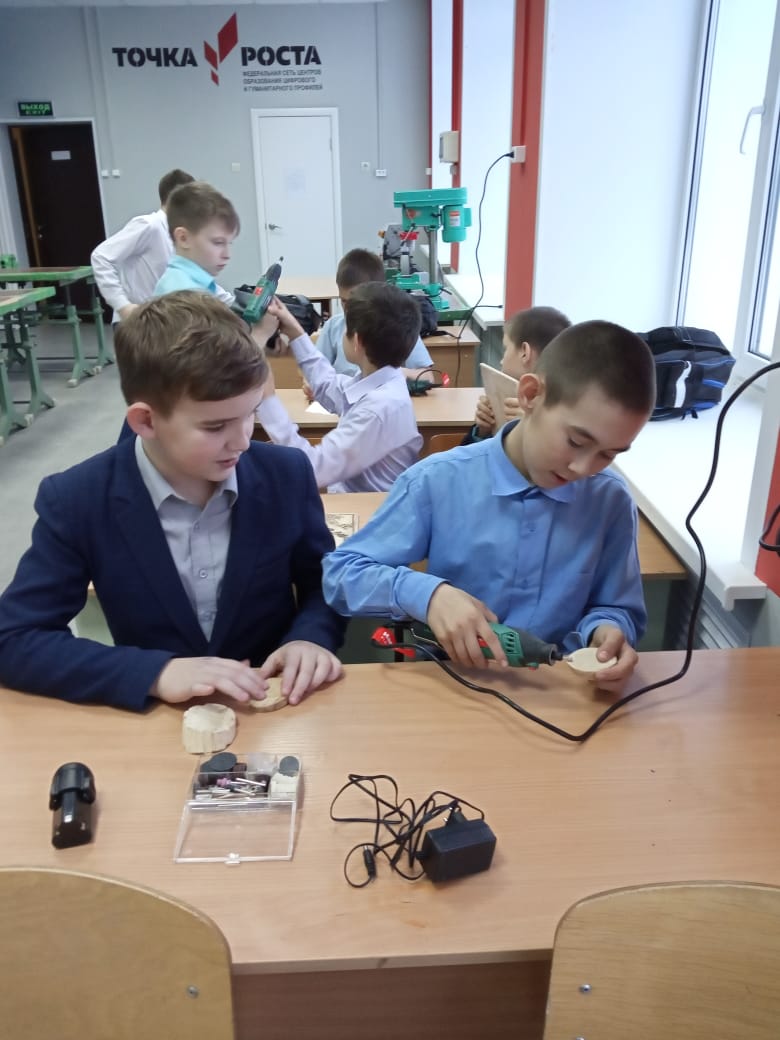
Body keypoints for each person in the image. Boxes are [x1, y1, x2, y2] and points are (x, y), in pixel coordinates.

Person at [0, 292, 345, 710]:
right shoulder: (79, 499)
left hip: (274, 710)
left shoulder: (285, 476)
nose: (242, 441)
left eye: (251, 412)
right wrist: (154, 673)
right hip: (156, 723)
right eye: (215, 426)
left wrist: (310, 637)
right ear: (146, 421)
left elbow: (323, 583)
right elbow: (14, 638)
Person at [322, 320, 656, 692]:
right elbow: (341, 575)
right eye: (576, 442)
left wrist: (607, 631)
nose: (583, 468)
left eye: (608, 454)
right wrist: (428, 595)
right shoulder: (437, 481)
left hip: (562, 692)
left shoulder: (609, 499)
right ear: (530, 395)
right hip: (454, 689)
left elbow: (617, 607)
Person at [256, 282, 423, 493]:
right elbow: (329, 386)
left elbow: (313, 469)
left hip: (368, 510)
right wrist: (297, 334)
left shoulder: (378, 409)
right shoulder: (381, 383)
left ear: (357, 341)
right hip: (358, 502)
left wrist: (268, 400)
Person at [90, 169, 233, 321]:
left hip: (166, 320)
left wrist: (234, 304)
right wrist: (123, 306)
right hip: (138, 322)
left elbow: (200, 278)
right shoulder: (150, 225)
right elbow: (101, 257)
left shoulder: (185, 234)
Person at [315, 248, 433, 379]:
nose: (348, 309)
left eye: (355, 302)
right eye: (343, 301)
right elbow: (315, 371)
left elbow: (427, 377)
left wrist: (397, 373)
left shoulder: (397, 326)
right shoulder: (333, 327)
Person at [464, 305, 570, 444]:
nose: (501, 361)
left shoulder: (567, 413)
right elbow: (468, 455)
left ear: (525, 352)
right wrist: (482, 432)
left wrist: (533, 430)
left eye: (506, 348)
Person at [152, 181, 241, 304]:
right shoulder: (183, 295)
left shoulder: (195, 282)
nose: (227, 255)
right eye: (218, 243)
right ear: (183, 238)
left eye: (229, 243)